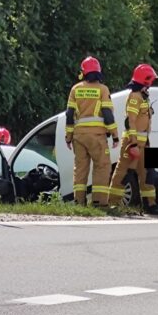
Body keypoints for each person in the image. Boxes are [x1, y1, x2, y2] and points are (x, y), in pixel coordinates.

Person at [65, 56, 119, 207]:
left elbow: (69, 115)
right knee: (102, 167)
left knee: (80, 169)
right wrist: (115, 135)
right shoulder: (103, 89)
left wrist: (68, 137)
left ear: (83, 72)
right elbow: (107, 114)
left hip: (79, 137)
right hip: (97, 136)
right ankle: (99, 202)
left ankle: (79, 202)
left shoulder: (75, 89)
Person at [108, 63, 158, 214]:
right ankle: (113, 203)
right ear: (146, 80)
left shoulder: (143, 98)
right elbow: (130, 121)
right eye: (150, 81)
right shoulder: (135, 97)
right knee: (123, 172)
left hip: (144, 143)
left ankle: (150, 204)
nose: (151, 84)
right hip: (132, 142)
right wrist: (133, 144)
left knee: (147, 174)